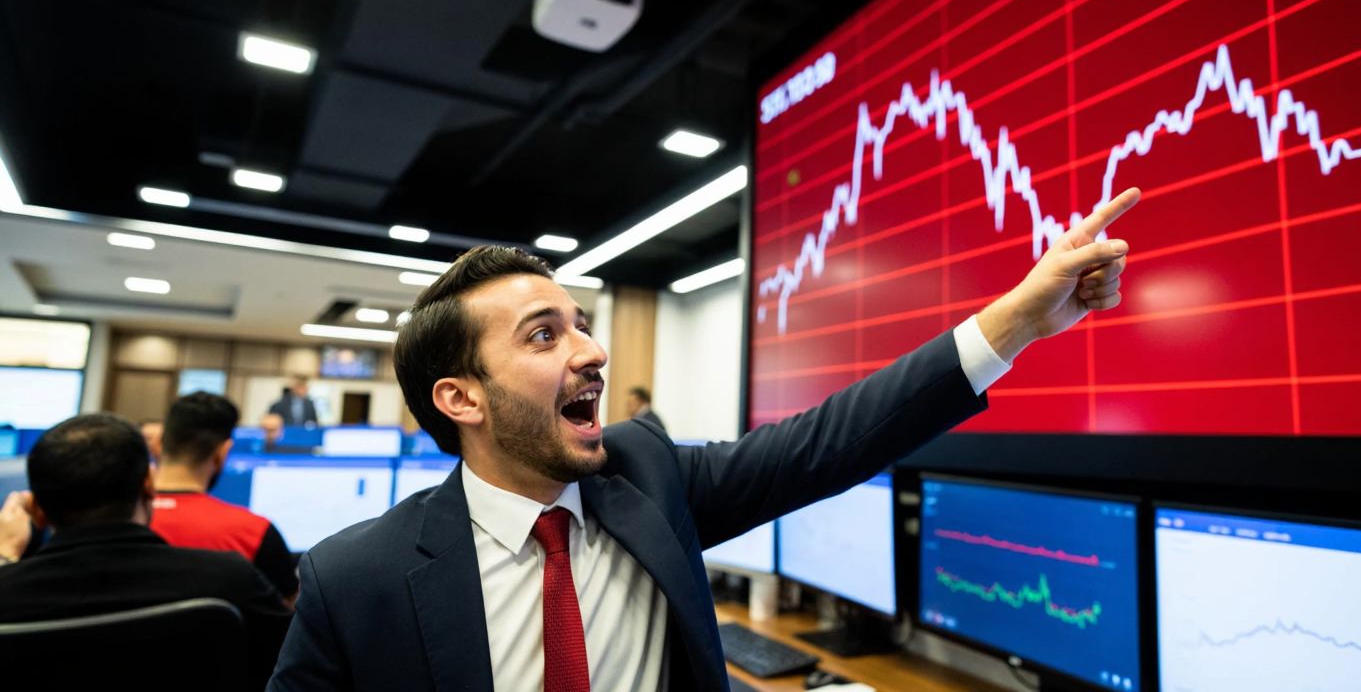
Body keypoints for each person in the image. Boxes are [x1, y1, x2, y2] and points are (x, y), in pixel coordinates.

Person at [269, 188, 1140, 691]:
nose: (593, 351)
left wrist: (1017, 322)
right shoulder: (353, 581)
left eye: (583, 324)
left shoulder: (646, 479)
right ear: (460, 397)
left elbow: (830, 441)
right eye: (544, 336)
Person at [0, 414, 291, 687]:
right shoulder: (230, 580)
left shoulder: (7, 592)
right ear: (150, 485)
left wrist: (5, 556)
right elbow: (298, 665)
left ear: (36, 511)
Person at [150, 393, 299, 605]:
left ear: (157, 444)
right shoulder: (254, 532)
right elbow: (291, 617)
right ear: (223, 452)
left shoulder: (117, 523)